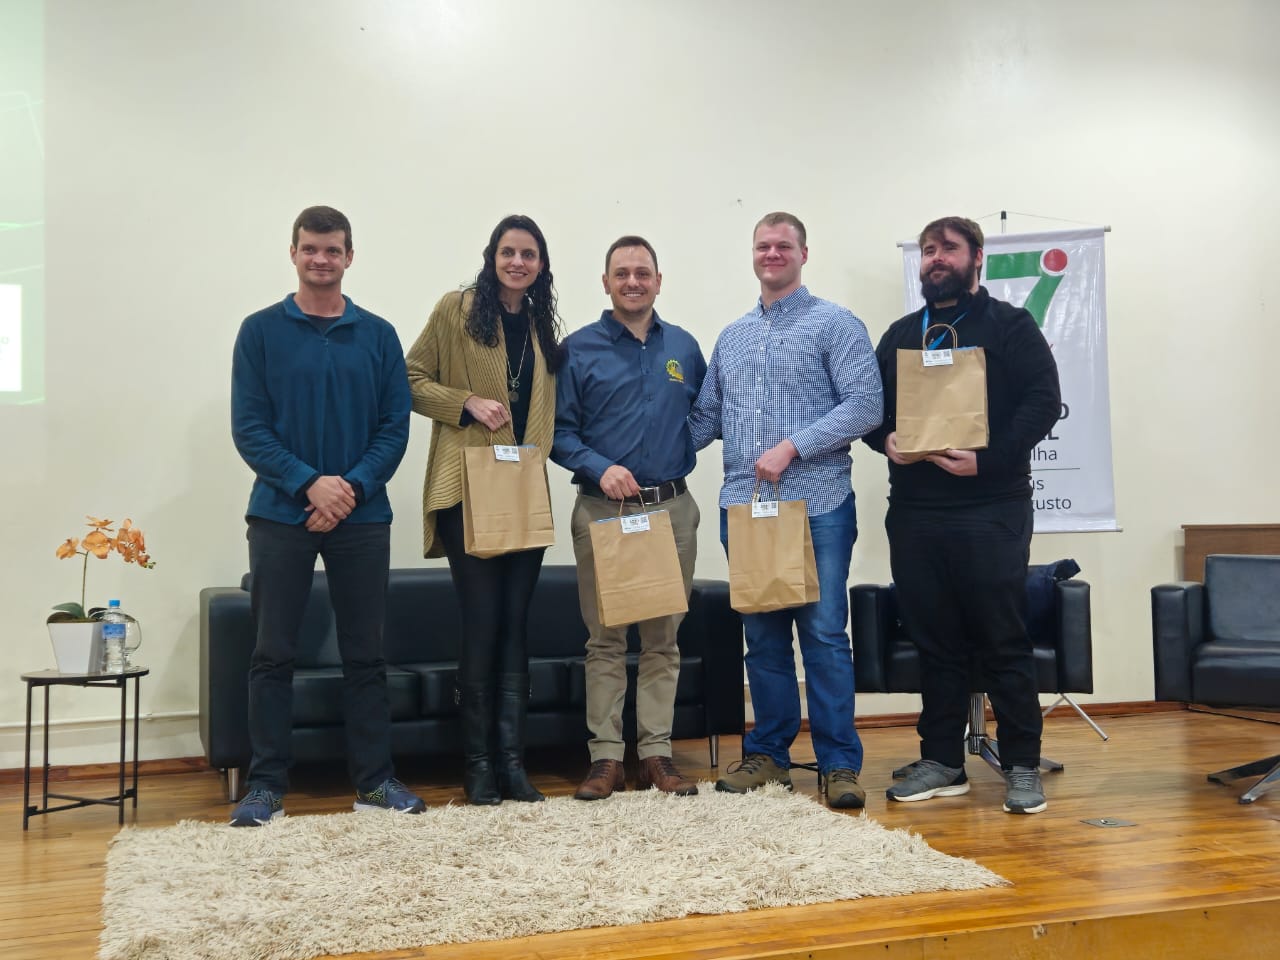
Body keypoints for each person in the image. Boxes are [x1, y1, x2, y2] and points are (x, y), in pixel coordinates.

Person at [229, 205, 425, 826]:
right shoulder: (259, 332)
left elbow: (394, 429)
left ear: (349, 257)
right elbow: (250, 428)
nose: (321, 259)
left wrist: (349, 491)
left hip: (362, 519)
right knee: (272, 654)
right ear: (293, 253)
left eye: (332, 249)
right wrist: (310, 485)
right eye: (310, 248)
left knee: (365, 655)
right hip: (279, 515)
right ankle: (265, 787)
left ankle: (375, 782)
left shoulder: (379, 335)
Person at [863, 216, 1061, 814]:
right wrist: (885, 441)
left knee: (1003, 638)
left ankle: (1021, 763)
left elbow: (1043, 403)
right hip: (916, 512)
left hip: (991, 507)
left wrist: (989, 459)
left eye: (948, 248)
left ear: (977, 258)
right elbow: (869, 409)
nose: (936, 258)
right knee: (935, 640)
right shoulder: (902, 333)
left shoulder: (1010, 326)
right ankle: (943, 761)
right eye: (928, 250)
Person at [689, 212, 882, 810]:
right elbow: (704, 420)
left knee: (823, 635)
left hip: (818, 505)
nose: (772, 254)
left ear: (803, 253)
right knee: (763, 640)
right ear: (752, 254)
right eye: (763, 246)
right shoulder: (732, 337)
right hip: (747, 510)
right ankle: (768, 755)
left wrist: (794, 446)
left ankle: (839, 764)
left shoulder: (836, 324)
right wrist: (634, 451)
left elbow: (866, 405)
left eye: (783, 245)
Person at [406, 214, 562, 805]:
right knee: (481, 621)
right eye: (508, 252)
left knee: (516, 624)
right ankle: (477, 767)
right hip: (467, 487)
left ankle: (512, 765)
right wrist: (465, 401)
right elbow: (408, 377)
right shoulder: (457, 309)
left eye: (529, 254)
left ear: (541, 265)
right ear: (492, 256)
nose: (518, 262)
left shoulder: (543, 325)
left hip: (522, 488)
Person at [552, 236, 707, 800]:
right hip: (603, 510)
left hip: (671, 511)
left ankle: (657, 756)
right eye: (622, 273)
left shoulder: (684, 347)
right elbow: (557, 432)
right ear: (606, 282)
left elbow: (706, 415)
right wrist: (601, 467)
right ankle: (606, 759)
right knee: (606, 640)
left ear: (658, 281)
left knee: (664, 640)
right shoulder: (577, 349)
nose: (633, 282)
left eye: (643, 272)